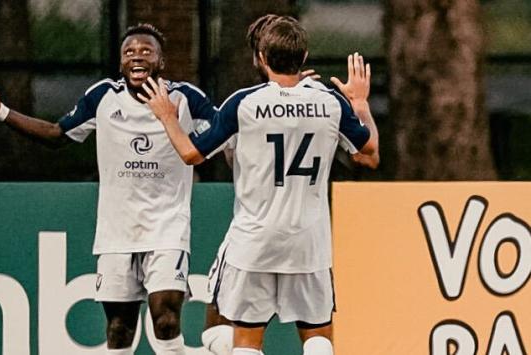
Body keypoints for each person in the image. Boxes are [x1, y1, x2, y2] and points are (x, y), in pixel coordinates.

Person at [0, 23, 218, 355]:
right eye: (129, 52)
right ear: (120, 64)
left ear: (161, 61)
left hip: (168, 228)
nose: (137, 57)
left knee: (165, 321)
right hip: (117, 232)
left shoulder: (186, 98)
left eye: (146, 51)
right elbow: (56, 134)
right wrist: (1, 111)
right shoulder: (102, 96)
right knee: (119, 328)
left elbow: (223, 134)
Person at [139, 17, 379, 355]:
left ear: (262, 58)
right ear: (305, 55)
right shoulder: (330, 103)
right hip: (309, 242)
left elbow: (192, 154)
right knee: (319, 339)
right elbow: (370, 156)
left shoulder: (243, 103)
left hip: (254, 240)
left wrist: (166, 116)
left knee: (245, 340)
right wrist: (360, 105)